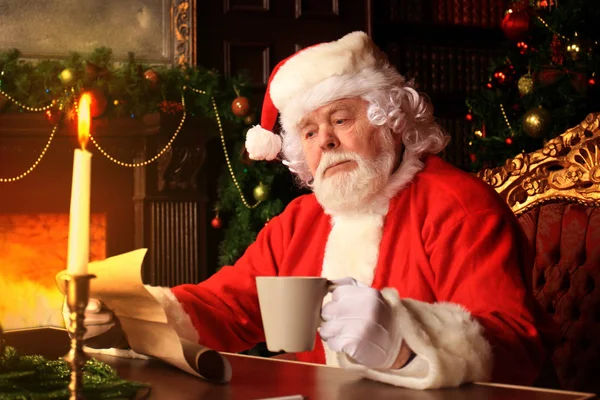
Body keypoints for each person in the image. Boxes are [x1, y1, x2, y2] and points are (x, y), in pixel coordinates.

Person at [74, 31, 556, 390]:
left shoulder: (458, 205)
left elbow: (515, 343)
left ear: (391, 121)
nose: (324, 139)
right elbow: (229, 304)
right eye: (307, 131)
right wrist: (130, 312)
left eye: (340, 119)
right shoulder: (299, 222)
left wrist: (407, 343)